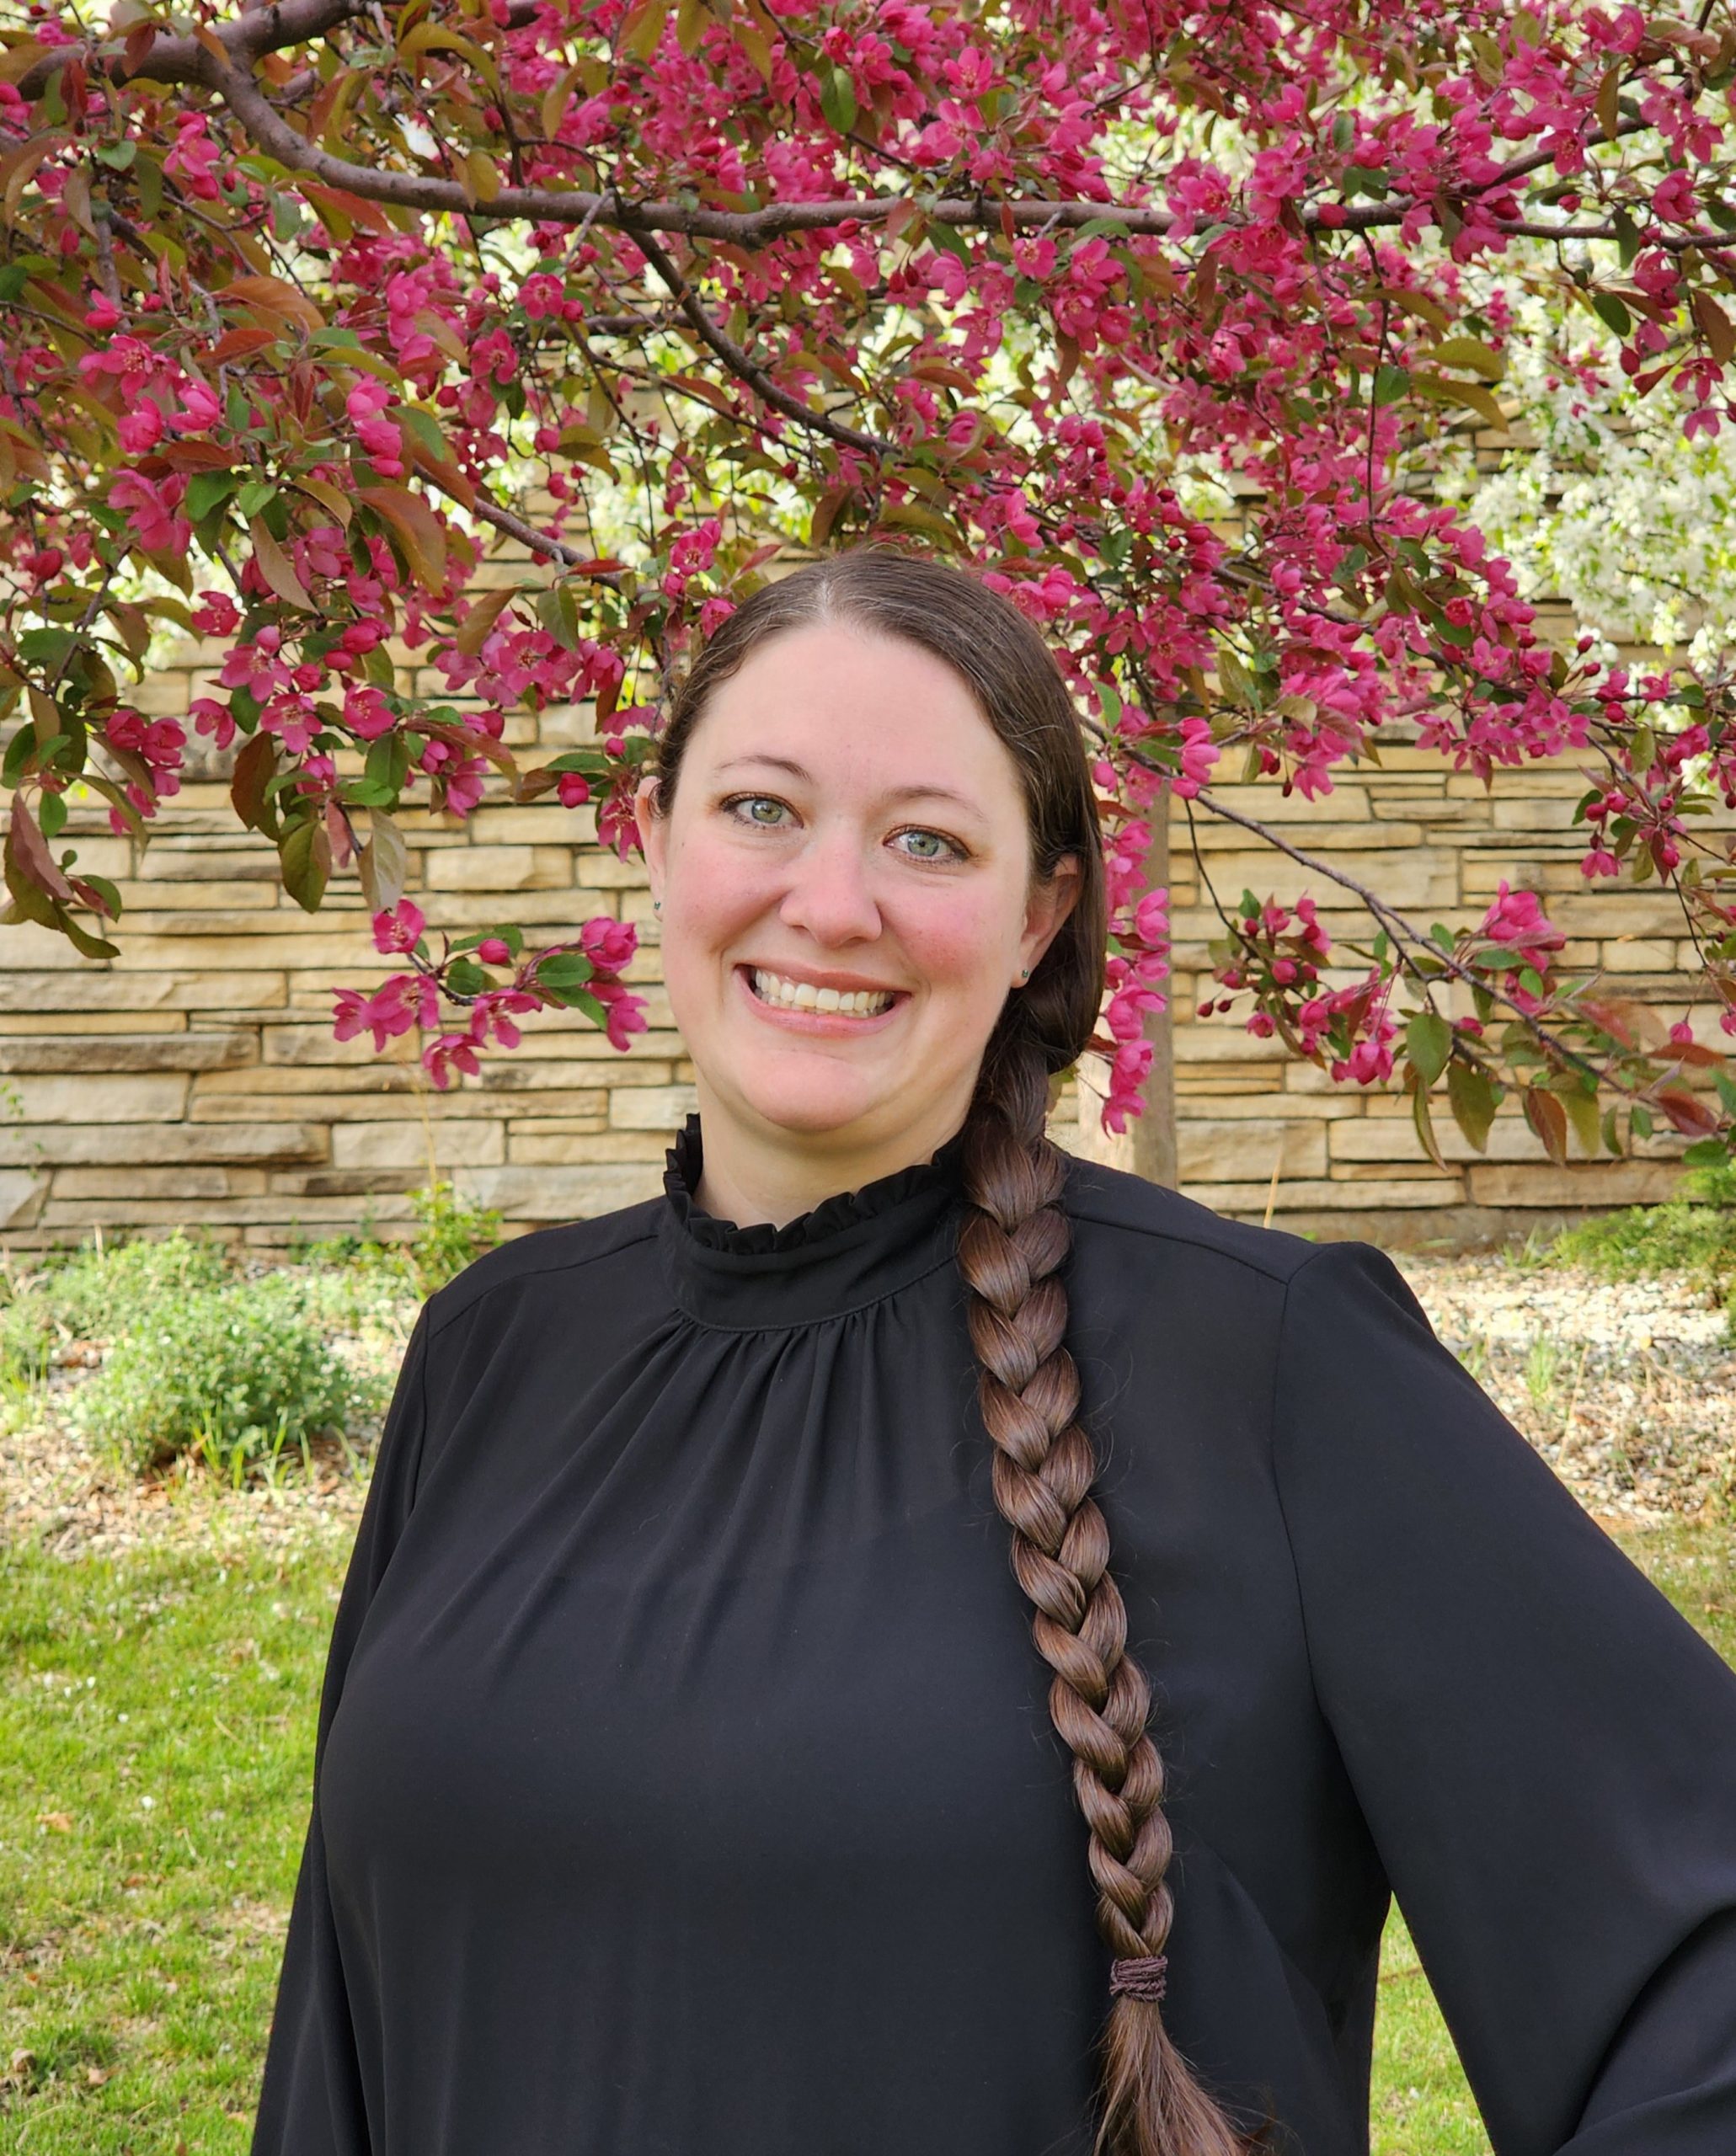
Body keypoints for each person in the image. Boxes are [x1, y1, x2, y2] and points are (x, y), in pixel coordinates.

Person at [253, 546, 1736, 2156]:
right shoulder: (492, 1352)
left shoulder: (1269, 1365)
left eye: (926, 841)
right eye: (759, 808)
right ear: (653, 837)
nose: (829, 902)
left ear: (1038, 917)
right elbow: (337, 2038)